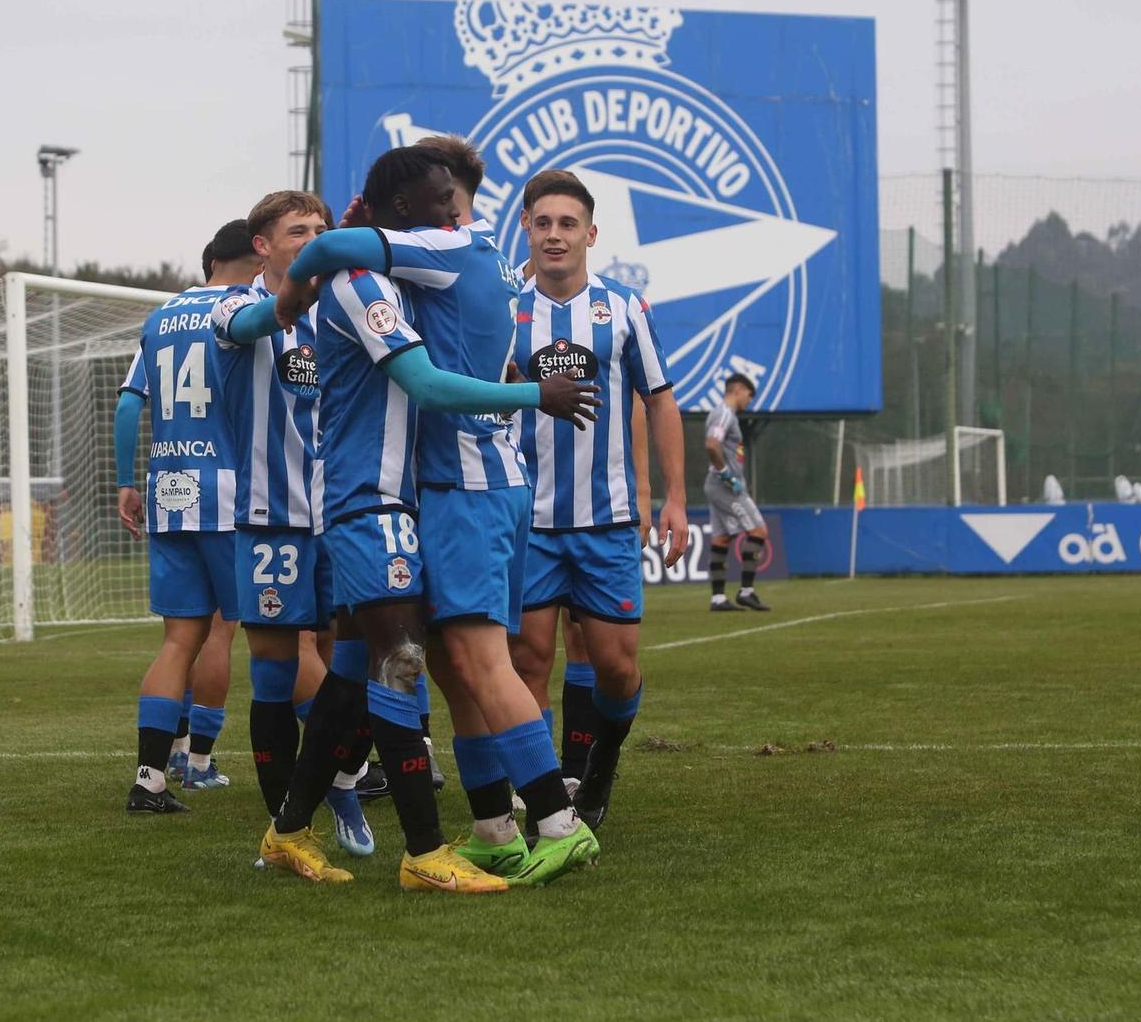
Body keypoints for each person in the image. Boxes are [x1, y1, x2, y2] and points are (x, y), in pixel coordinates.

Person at [276, 145, 605, 890]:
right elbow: (434, 364)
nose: (453, 212)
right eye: (443, 200)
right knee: (419, 667)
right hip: (431, 491)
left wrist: (289, 296)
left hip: (455, 489)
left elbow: (425, 377)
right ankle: (478, 829)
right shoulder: (435, 265)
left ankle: (548, 821)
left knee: (455, 662)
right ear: (407, 210)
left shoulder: (443, 253)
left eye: (455, 199)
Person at [510, 169, 689, 830]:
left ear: (591, 233)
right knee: (527, 659)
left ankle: (601, 761)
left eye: (567, 223)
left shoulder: (626, 309)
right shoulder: (506, 314)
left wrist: (672, 497)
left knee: (615, 667)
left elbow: (660, 398)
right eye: (542, 222)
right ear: (526, 228)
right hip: (525, 520)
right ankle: (542, 797)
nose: (554, 234)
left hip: (608, 520)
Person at [209, 189, 375, 859]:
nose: (311, 237)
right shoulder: (232, 306)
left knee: (351, 665)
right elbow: (259, 322)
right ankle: (292, 824)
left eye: (321, 229)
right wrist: (294, 298)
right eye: (297, 230)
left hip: (341, 513)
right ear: (262, 245)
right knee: (279, 672)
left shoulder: (340, 311)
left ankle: (335, 779)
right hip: (269, 516)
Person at [111, 221, 254, 814]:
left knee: (177, 641)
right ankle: (199, 762)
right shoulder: (251, 310)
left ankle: (150, 778)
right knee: (248, 633)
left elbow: (127, 406)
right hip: (233, 487)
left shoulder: (159, 317)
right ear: (259, 252)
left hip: (168, 482)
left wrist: (125, 481)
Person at [706, 373, 772, 613]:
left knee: (721, 539)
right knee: (758, 531)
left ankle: (718, 599)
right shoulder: (724, 413)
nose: (749, 401)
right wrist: (726, 475)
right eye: (749, 396)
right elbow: (712, 444)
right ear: (740, 389)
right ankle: (746, 591)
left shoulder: (724, 413)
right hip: (725, 486)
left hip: (716, 484)